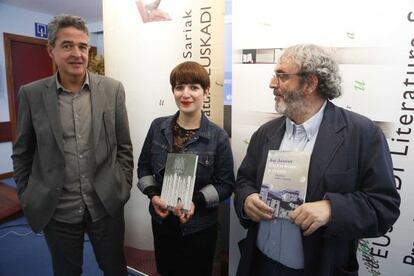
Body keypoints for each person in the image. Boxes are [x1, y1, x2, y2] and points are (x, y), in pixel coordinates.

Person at [234, 44, 400, 276]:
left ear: (311, 83)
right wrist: (247, 199)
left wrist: (332, 209)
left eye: (282, 76)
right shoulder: (266, 133)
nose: (272, 83)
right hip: (259, 263)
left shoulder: (361, 134)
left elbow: (384, 206)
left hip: (319, 267)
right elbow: (244, 181)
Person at [11, 14, 133, 276]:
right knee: (66, 271)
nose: (77, 54)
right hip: (58, 210)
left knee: (114, 268)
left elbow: (124, 146)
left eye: (82, 46)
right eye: (67, 45)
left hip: (105, 205)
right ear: (51, 50)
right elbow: (22, 152)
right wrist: (27, 195)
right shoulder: (31, 94)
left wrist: (122, 187)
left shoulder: (112, 90)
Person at [137, 61, 235, 276]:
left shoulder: (218, 136)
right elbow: (143, 168)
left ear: (206, 92)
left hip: (200, 226)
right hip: (162, 222)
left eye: (194, 87)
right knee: (166, 270)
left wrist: (195, 202)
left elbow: (226, 185)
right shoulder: (158, 127)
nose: (186, 94)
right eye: (179, 87)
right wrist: (153, 194)